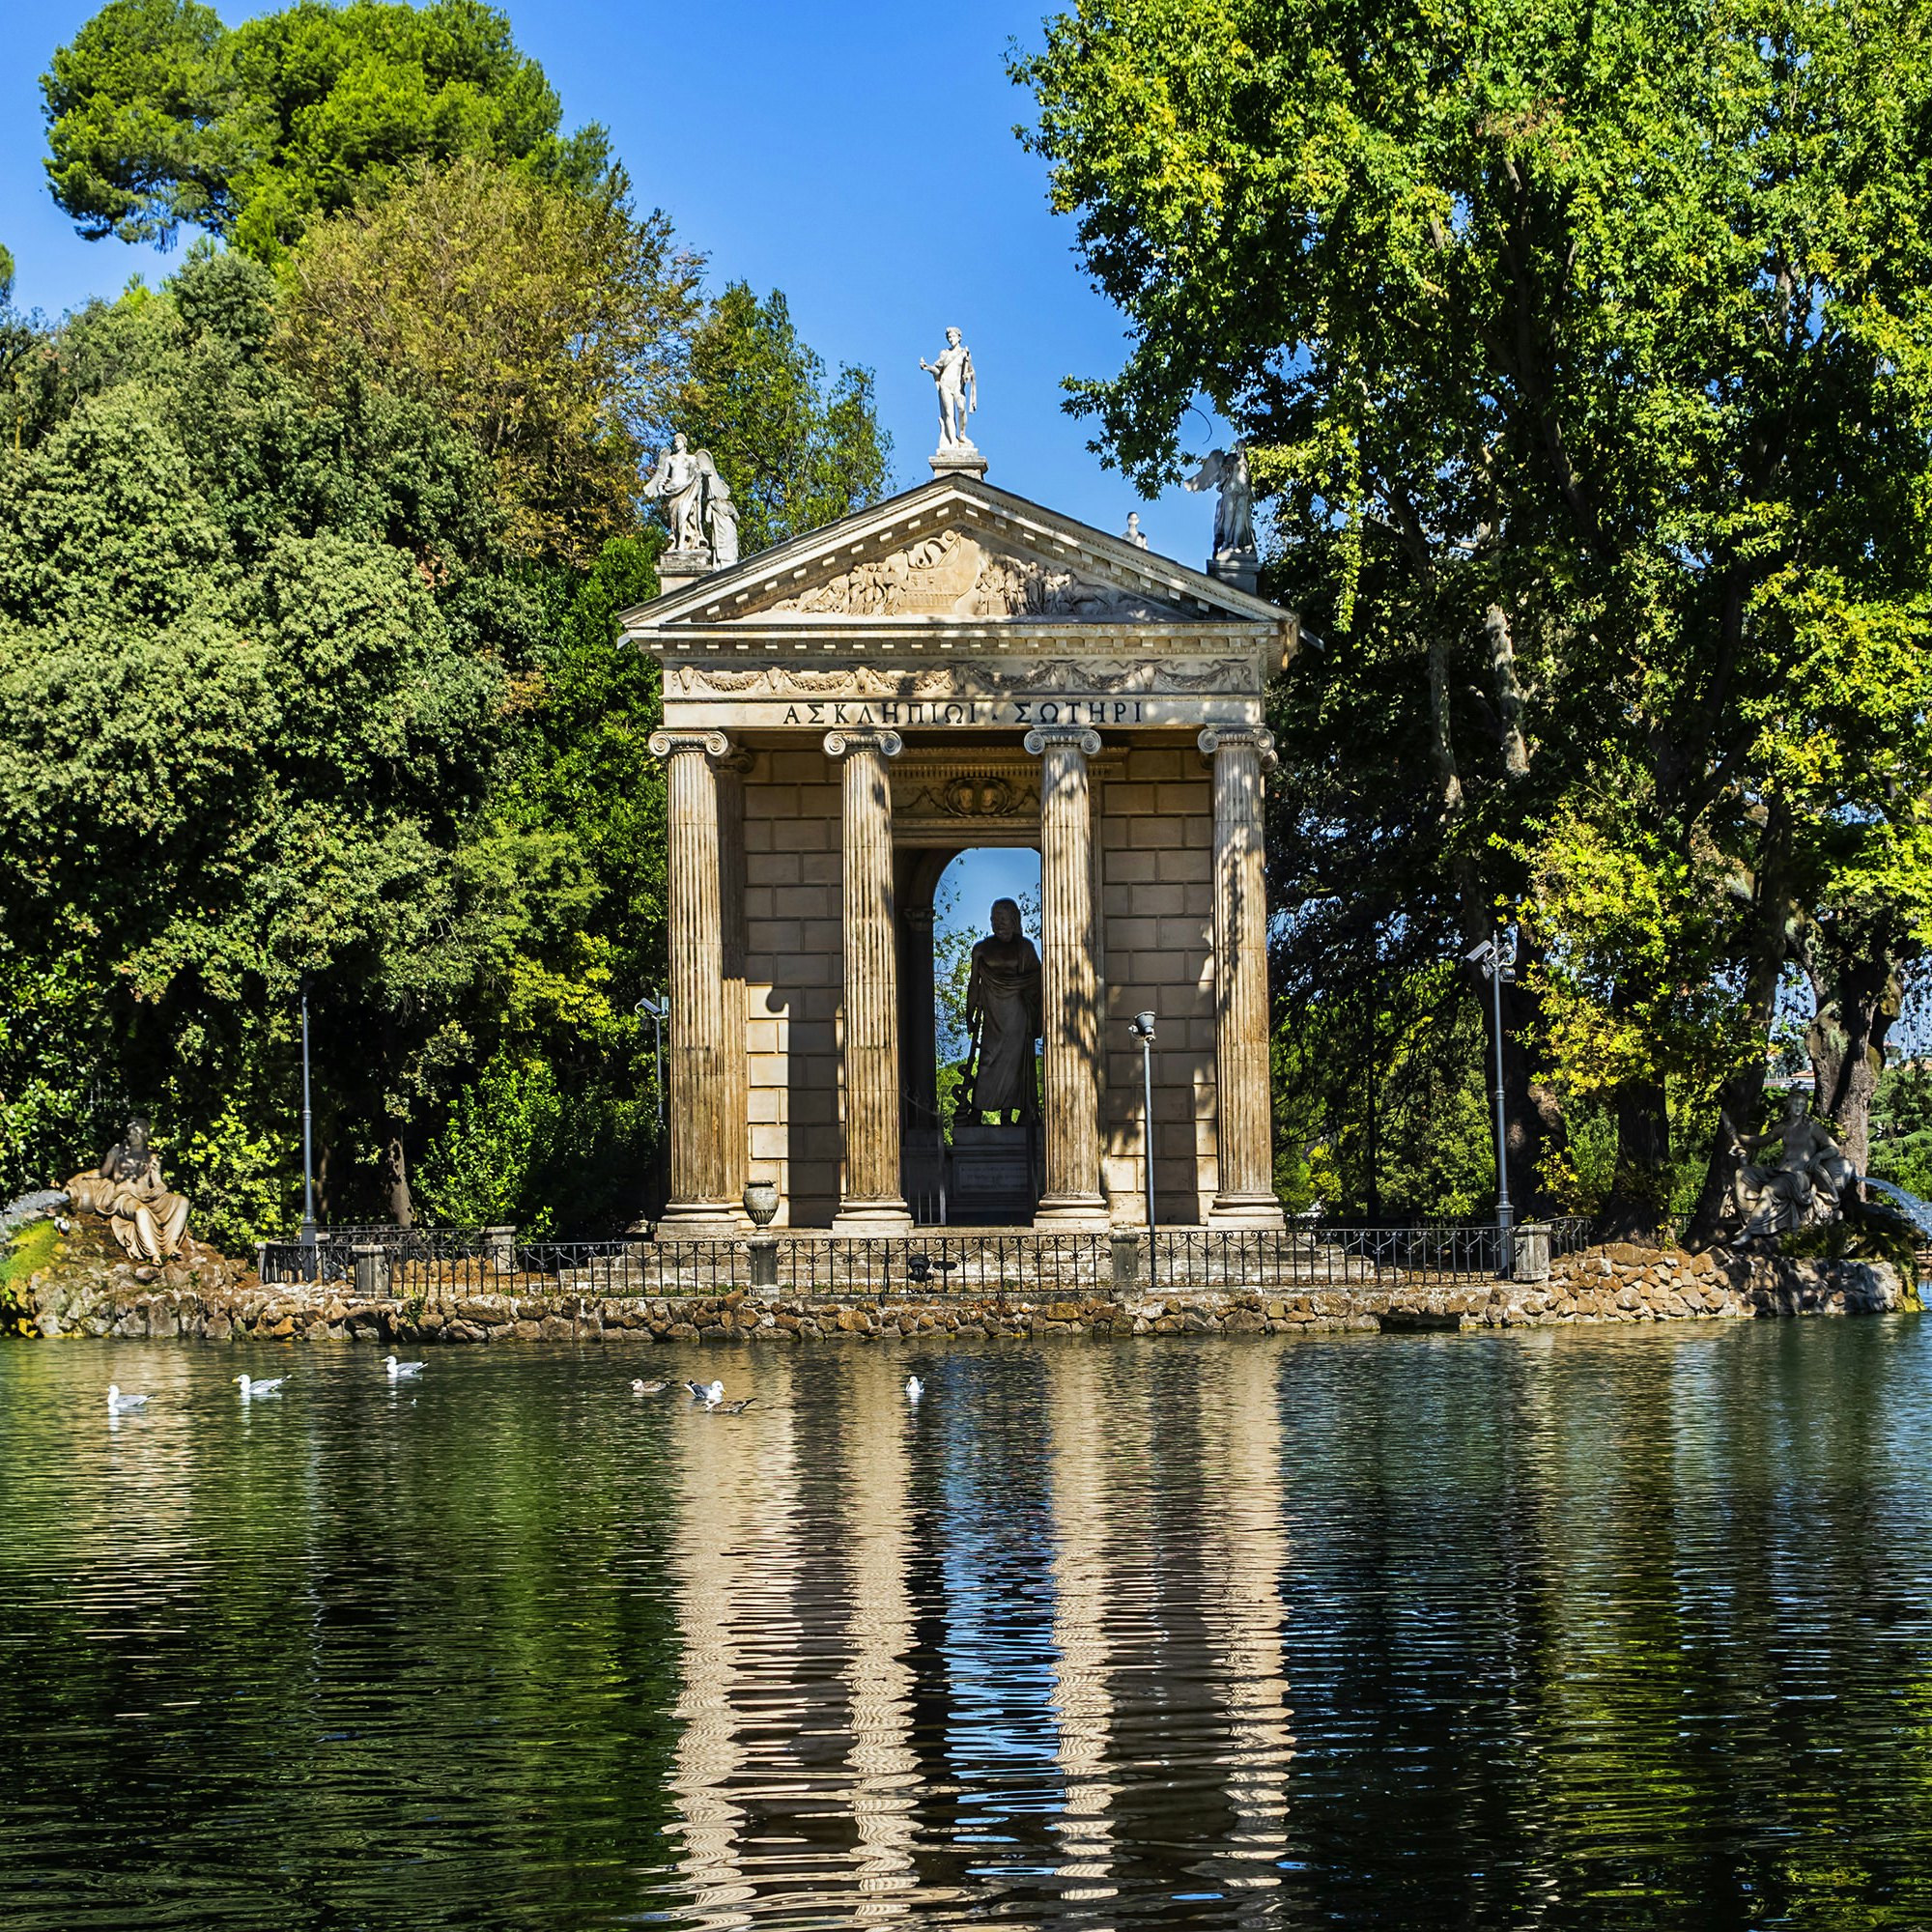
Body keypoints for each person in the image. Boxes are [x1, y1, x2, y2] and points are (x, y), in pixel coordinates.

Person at [958, 898, 1041, 1123]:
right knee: (987, 1059)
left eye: (1003, 919)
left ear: (1014, 921)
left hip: (1017, 1015)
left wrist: (1036, 1015)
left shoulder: (1024, 947)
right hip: (993, 1015)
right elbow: (974, 984)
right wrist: (970, 1013)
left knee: (1015, 1065)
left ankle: (1007, 1113)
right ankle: (977, 1110)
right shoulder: (982, 949)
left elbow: (1036, 979)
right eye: (995, 919)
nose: (998, 924)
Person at [642, 433, 705, 552]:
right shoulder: (670, 459)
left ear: (684, 444)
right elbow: (664, 478)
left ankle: (682, 544)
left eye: (679, 441)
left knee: (683, 515)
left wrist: (699, 475)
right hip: (673, 492)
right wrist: (661, 487)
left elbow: (696, 475)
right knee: (675, 520)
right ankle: (677, 541)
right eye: (675, 442)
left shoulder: (691, 458)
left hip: (687, 490)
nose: (676, 444)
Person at [920, 327, 978, 450]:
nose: (951, 339)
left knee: (961, 409)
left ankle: (962, 435)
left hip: (957, 386)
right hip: (945, 385)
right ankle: (953, 442)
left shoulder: (964, 353)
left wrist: (967, 375)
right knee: (949, 414)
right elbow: (938, 370)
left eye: (953, 337)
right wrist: (928, 367)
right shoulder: (944, 353)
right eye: (949, 337)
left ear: (959, 337)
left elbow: (970, 371)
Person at [700, 455, 740, 567]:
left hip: (729, 532)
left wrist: (731, 512)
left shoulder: (729, 504)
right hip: (720, 535)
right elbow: (708, 520)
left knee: (731, 555)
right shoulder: (712, 504)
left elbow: (737, 517)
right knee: (721, 556)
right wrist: (709, 507)